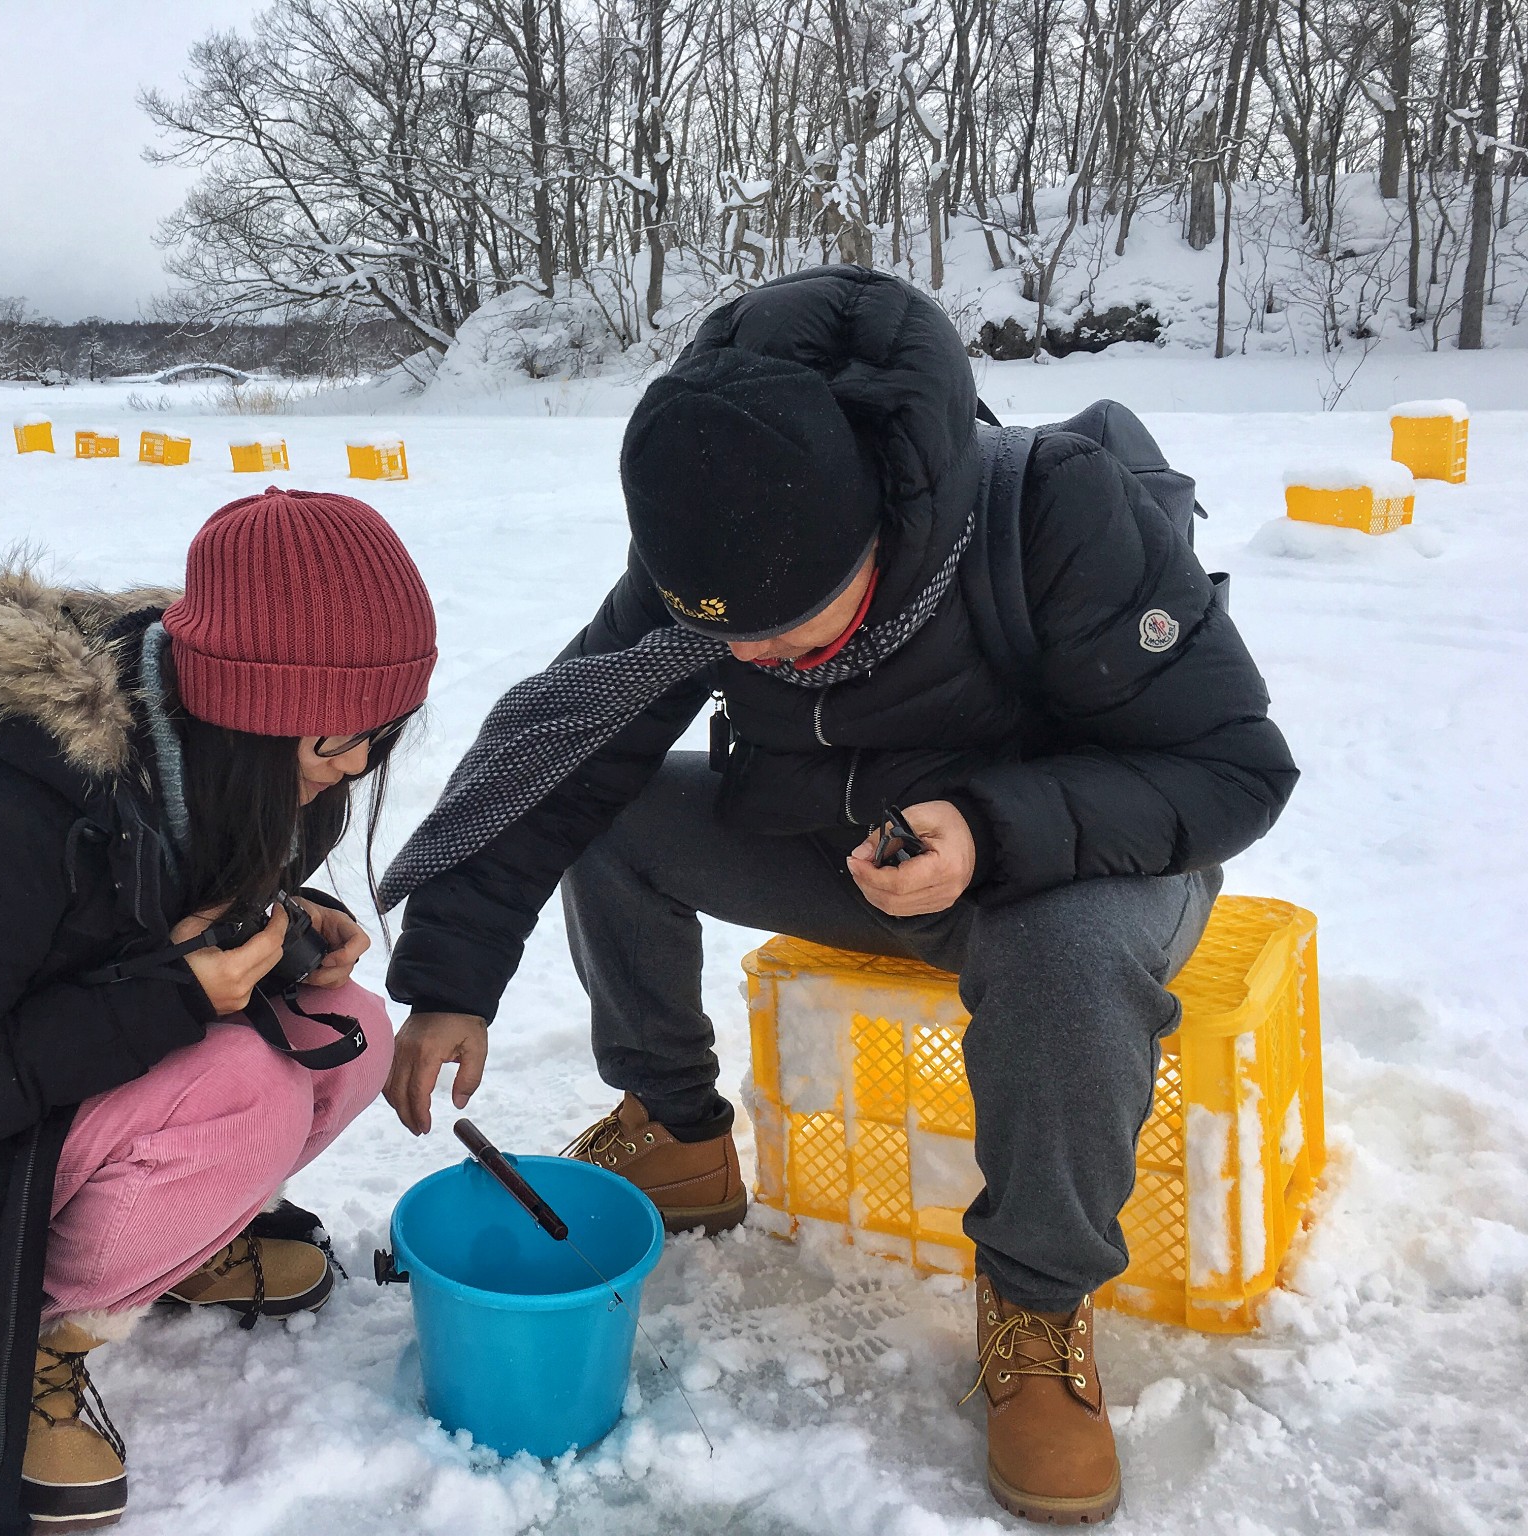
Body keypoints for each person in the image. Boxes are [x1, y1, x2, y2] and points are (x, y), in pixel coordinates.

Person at [376, 267, 1297, 1525]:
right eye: (732, 642)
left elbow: (1232, 768)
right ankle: (682, 1133)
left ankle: (1032, 1304)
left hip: (1083, 865)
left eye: (794, 631)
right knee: (620, 804)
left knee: (1061, 955)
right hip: (856, 848)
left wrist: (990, 830)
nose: (757, 661)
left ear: (876, 522)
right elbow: (564, 745)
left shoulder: (1053, 514)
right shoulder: (717, 537)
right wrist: (447, 980)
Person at [0, 488, 437, 1535]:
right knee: (244, 1093)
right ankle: (28, 1344)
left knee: (349, 1033)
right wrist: (173, 994)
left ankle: (168, 1246)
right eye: (332, 742)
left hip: (30, 1125)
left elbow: (137, 929)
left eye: (381, 735)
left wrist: (283, 927)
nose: (357, 768)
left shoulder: (230, 766)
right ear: (238, 709)